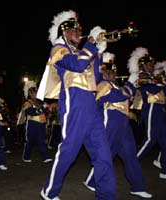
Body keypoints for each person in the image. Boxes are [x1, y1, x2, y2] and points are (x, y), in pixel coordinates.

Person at [37, 10, 116, 200]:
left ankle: (106, 196)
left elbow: (96, 78)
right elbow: (78, 66)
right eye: (75, 30)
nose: (78, 33)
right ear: (64, 33)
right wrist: (91, 43)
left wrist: (98, 53)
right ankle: (49, 191)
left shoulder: (84, 52)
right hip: (74, 106)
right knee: (68, 152)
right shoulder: (58, 50)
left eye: (79, 30)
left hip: (92, 106)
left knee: (103, 155)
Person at [83, 52, 152, 198]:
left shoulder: (115, 85)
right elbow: (118, 96)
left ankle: (137, 186)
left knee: (130, 156)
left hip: (123, 123)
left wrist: (132, 86)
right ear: (104, 73)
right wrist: (130, 83)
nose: (112, 73)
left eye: (113, 71)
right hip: (110, 122)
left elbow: (128, 98)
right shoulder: (102, 84)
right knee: (106, 155)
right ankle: (91, 181)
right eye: (109, 71)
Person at [132, 47, 166, 181]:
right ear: (143, 65)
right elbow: (154, 90)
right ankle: (132, 162)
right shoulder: (142, 77)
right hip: (151, 110)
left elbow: (165, 92)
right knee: (150, 140)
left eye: (152, 64)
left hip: (160, 110)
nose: (152, 66)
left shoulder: (154, 77)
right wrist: (165, 78)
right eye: (149, 64)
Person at [21, 80, 52, 163]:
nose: (35, 94)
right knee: (30, 141)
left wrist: (45, 108)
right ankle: (26, 157)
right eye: (34, 93)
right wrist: (43, 108)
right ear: (30, 94)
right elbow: (32, 112)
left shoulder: (39, 102)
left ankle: (46, 157)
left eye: (36, 92)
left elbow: (45, 112)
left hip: (41, 124)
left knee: (41, 140)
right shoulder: (28, 102)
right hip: (32, 124)